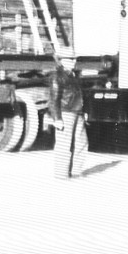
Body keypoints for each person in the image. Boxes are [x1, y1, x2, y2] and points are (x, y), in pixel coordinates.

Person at [48, 50, 87, 179]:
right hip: (66, 113)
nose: (73, 62)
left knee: (81, 142)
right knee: (64, 144)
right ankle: (61, 174)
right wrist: (57, 118)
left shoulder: (73, 75)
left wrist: (82, 111)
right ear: (62, 61)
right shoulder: (57, 76)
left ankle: (76, 172)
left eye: (74, 59)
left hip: (77, 112)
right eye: (70, 59)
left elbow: (78, 95)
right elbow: (54, 99)